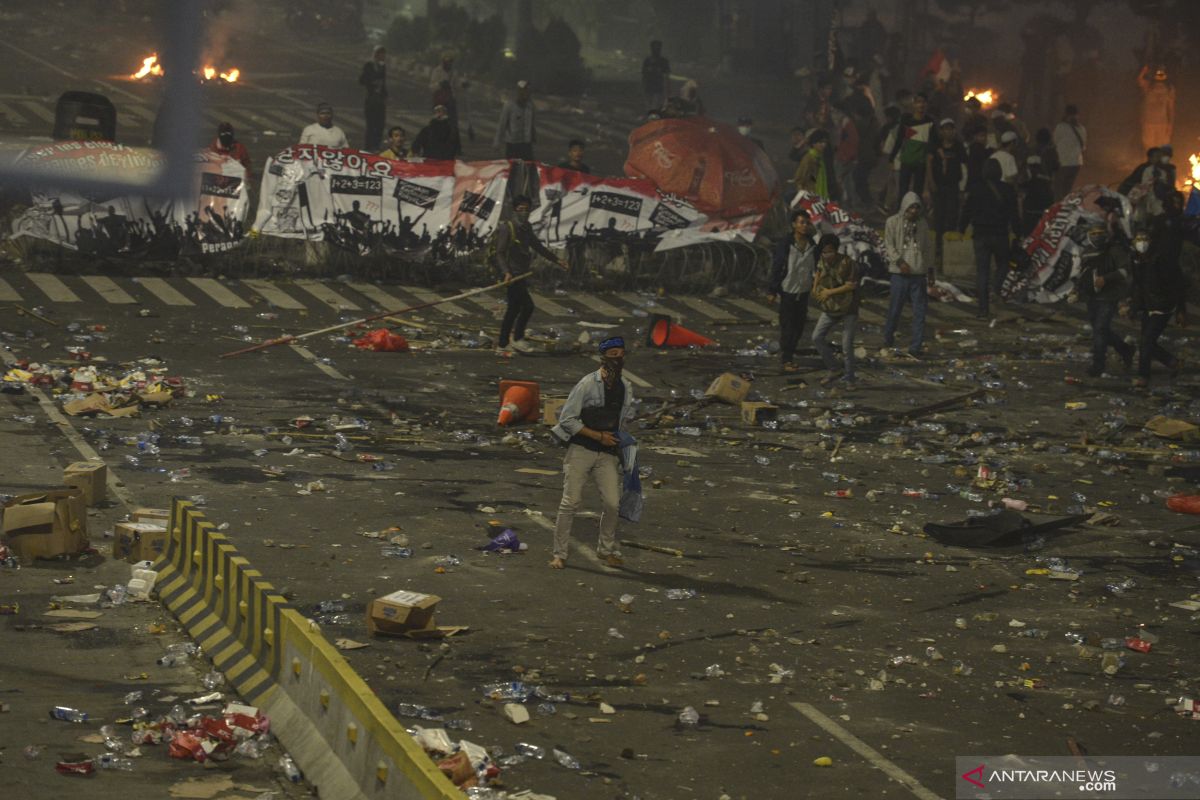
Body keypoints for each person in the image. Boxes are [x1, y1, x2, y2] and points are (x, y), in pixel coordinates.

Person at [548, 337, 635, 569]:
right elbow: (567, 419)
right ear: (603, 357)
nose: (618, 358)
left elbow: (625, 418)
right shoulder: (587, 384)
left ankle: (605, 550)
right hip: (582, 451)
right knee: (571, 502)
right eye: (613, 354)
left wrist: (621, 440)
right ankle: (560, 554)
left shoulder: (625, 386)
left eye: (621, 354)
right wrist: (598, 436)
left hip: (607, 454)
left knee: (612, 503)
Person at [493, 195, 568, 352]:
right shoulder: (508, 227)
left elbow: (537, 246)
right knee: (527, 307)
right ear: (514, 210)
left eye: (527, 210)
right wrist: (506, 272)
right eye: (521, 209)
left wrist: (556, 260)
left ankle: (503, 343)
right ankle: (516, 339)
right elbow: (499, 253)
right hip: (513, 275)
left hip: (522, 273)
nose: (524, 212)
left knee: (514, 309)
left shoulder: (526, 227)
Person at [960, 159, 1019, 318]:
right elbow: (1014, 214)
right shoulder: (1007, 189)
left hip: (980, 235)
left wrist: (961, 228)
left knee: (982, 272)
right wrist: (1018, 232)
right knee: (1004, 264)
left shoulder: (976, 189)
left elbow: (967, 211)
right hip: (1000, 235)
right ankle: (997, 287)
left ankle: (983, 309)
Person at [1128, 229, 1187, 387]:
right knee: (1147, 342)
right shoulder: (1136, 261)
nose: (1142, 242)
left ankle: (1143, 377)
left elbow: (1177, 285)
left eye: (1145, 239)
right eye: (1139, 239)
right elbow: (1138, 286)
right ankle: (1173, 362)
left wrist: (1181, 310)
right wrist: (1133, 308)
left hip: (1163, 306)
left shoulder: (1160, 260)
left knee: (1146, 342)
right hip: (1149, 306)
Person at [1077, 225, 1134, 377]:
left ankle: (1098, 364)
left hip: (1109, 296)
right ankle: (1125, 349)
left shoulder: (1114, 250)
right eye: (1093, 233)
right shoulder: (1086, 252)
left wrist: (1106, 279)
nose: (1097, 236)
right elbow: (1082, 274)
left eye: (1100, 233)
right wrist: (1077, 291)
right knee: (1100, 330)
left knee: (1100, 329)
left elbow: (1125, 270)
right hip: (1092, 297)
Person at [882, 192, 932, 356]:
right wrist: (900, 261)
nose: (914, 211)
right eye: (911, 207)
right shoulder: (892, 222)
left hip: (918, 274)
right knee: (895, 311)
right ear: (905, 207)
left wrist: (930, 270)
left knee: (919, 313)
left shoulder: (922, 224)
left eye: (917, 207)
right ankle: (887, 340)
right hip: (899, 274)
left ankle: (915, 347)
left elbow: (927, 248)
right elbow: (889, 245)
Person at [768, 208, 817, 372]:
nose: (804, 226)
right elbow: (777, 266)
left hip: (803, 290)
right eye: (801, 222)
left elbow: (816, 265)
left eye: (807, 222)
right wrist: (772, 290)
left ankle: (789, 350)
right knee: (787, 325)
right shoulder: (786, 244)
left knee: (799, 325)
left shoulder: (811, 243)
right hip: (788, 289)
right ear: (794, 225)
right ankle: (786, 358)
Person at [811, 234, 861, 385]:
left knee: (846, 346)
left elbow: (851, 285)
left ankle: (850, 379)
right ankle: (834, 368)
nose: (827, 255)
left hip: (848, 307)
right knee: (816, 337)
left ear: (836, 250)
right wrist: (815, 289)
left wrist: (828, 293)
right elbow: (818, 272)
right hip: (830, 307)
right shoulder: (822, 260)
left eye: (830, 251)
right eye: (824, 252)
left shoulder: (847, 262)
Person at [929, 118, 966, 269]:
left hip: (953, 187)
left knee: (952, 217)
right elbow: (929, 164)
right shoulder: (935, 146)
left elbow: (964, 167)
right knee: (938, 218)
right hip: (939, 187)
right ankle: (938, 250)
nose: (948, 131)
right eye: (945, 129)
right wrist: (930, 183)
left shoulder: (959, 147)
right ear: (941, 131)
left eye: (951, 128)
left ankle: (949, 251)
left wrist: (963, 189)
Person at [890, 92, 933, 207]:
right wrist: (891, 158)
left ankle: (914, 214)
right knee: (903, 190)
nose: (921, 105)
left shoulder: (930, 122)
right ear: (914, 104)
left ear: (926, 104)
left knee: (917, 192)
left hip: (921, 162)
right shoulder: (906, 119)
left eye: (923, 102)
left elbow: (933, 143)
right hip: (907, 160)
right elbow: (899, 139)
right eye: (918, 102)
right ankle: (902, 212)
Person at [1022, 128, 1059, 234]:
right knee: (1045, 219)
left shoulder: (1030, 150)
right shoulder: (1051, 151)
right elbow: (1056, 167)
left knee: (1029, 220)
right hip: (1046, 188)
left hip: (1031, 189)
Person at [494, 80, 536, 161]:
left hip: (526, 144)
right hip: (513, 145)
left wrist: (533, 136)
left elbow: (532, 123)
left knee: (528, 167)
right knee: (513, 168)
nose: (525, 93)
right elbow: (502, 125)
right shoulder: (509, 106)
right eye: (523, 90)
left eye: (527, 91)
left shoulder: (530, 106)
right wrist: (497, 142)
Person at [1138, 65, 1175, 153]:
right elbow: (1139, 80)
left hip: (1162, 123)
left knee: (1161, 148)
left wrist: (1170, 125)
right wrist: (1144, 70)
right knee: (1149, 148)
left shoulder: (1169, 89)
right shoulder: (1148, 87)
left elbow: (1171, 109)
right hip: (1149, 122)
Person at [1053, 105, 1086, 199]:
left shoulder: (1061, 127)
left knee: (1058, 188)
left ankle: (1058, 208)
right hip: (1077, 162)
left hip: (1063, 162)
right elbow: (1083, 147)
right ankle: (1066, 207)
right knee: (1068, 188)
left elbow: (1055, 141)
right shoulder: (1082, 129)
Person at [358, 45, 388, 152]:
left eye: (384, 54)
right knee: (371, 124)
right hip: (371, 99)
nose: (383, 56)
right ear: (376, 54)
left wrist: (385, 95)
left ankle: (376, 145)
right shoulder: (369, 65)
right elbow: (362, 80)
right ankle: (368, 146)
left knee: (380, 124)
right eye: (381, 54)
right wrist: (372, 82)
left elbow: (383, 82)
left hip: (380, 100)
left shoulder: (383, 66)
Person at [832, 105, 860, 209]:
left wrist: (846, 155)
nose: (833, 114)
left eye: (835, 111)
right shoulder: (843, 124)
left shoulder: (846, 124)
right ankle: (849, 203)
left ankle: (846, 203)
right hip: (846, 156)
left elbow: (853, 140)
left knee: (843, 180)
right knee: (848, 180)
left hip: (845, 157)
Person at [794, 130, 830, 198]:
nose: (824, 145)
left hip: (819, 196)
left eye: (825, 142)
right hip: (811, 196)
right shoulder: (809, 158)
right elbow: (800, 178)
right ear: (813, 143)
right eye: (820, 142)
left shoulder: (820, 157)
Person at [642, 40, 671, 114]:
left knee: (653, 107)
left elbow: (666, 77)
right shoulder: (648, 61)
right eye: (655, 48)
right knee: (650, 107)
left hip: (657, 88)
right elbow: (644, 75)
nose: (656, 50)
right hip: (650, 88)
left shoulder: (662, 61)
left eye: (657, 48)